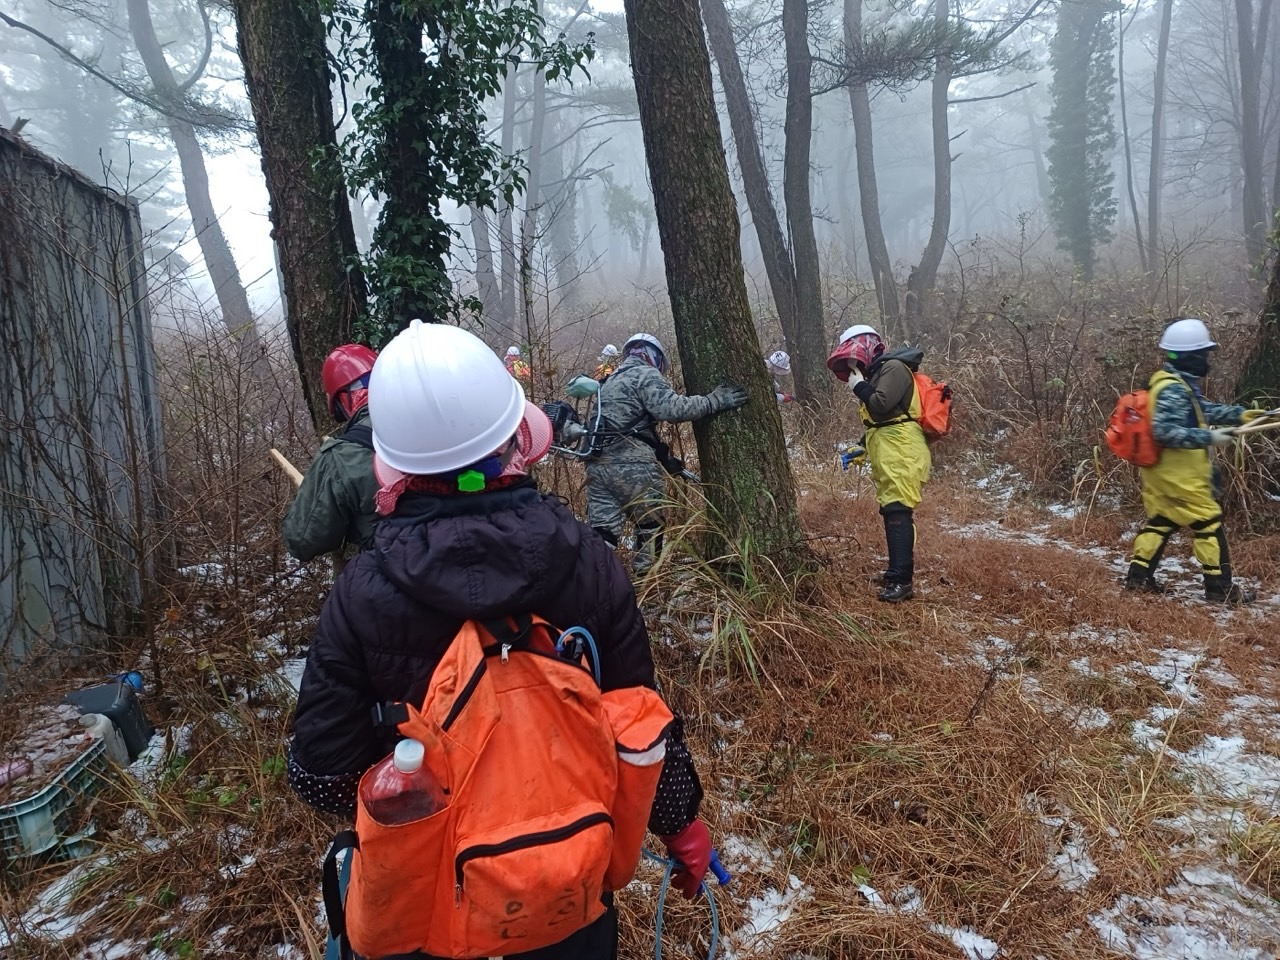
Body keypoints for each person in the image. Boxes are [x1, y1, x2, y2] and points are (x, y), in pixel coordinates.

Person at [288, 322, 713, 959]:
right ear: (518, 437)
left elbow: (320, 775)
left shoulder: (362, 594)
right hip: (568, 901)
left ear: (391, 465)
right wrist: (682, 825)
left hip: (430, 916)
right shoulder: (590, 564)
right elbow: (641, 722)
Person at [1124, 317, 1264, 604]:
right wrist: (1209, 438)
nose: (1207, 361)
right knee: (1209, 523)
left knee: (1163, 520)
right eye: (1203, 355)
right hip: (1179, 475)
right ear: (1191, 357)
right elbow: (1164, 432)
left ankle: (1138, 579)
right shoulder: (1174, 388)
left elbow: (1201, 411)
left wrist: (1241, 415)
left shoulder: (1172, 382)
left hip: (1161, 471)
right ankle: (1220, 590)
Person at [586, 333, 748, 575]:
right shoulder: (645, 373)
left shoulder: (608, 381)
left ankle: (589, 589)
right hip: (634, 466)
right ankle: (646, 585)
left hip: (597, 466)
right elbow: (672, 409)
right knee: (650, 527)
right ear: (654, 356)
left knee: (602, 534)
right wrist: (715, 400)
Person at [827, 325, 930, 603]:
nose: (852, 367)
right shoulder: (878, 371)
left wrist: (859, 386)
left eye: (853, 360)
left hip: (903, 449)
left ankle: (901, 582)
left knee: (898, 511)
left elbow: (882, 404)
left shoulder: (894, 368)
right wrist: (861, 446)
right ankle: (896, 572)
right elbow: (879, 418)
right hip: (889, 446)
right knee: (891, 510)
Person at [282, 344, 380, 564]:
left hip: (403, 581)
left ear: (344, 400)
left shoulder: (340, 456)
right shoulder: (442, 417)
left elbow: (302, 541)